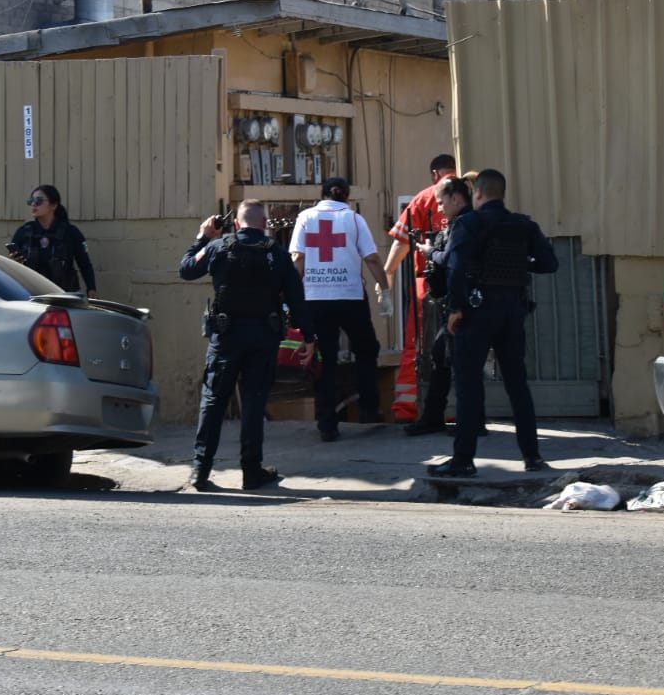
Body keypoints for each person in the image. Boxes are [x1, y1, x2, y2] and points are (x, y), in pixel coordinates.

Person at [179, 199, 314, 491]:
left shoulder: (218, 247)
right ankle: (251, 471)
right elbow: (297, 299)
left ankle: (200, 471)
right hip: (262, 338)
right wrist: (309, 336)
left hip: (226, 338)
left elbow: (187, 269)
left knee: (213, 401)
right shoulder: (276, 254)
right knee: (253, 404)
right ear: (265, 224)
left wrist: (203, 236)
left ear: (237, 223)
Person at [434, 168, 559, 477]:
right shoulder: (523, 225)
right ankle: (532, 456)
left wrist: (455, 308)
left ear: (477, 193)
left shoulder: (469, 223)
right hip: (512, 312)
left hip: (476, 312)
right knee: (518, 384)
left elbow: (456, 267)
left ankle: (463, 460)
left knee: (468, 384)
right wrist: (520, 262)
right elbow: (549, 263)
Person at [290, 176, 389, 441]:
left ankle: (326, 423)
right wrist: (385, 288)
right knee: (366, 349)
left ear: (322, 195)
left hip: (315, 298)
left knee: (325, 358)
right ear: (346, 196)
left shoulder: (305, 218)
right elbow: (372, 258)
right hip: (350, 296)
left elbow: (298, 259)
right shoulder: (354, 219)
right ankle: (369, 406)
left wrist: (291, 296)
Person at [383, 153, 458, 420]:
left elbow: (402, 241)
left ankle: (410, 406)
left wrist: (387, 275)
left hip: (426, 284)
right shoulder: (468, 192)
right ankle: (459, 406)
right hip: (464, 280)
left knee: (419, 344)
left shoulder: (425, 198)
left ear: (434, 174)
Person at [404, 175, 475, 436]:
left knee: (460, 363)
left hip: (464, 308)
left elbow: (453, 263)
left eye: (441, 202)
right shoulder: (463, 223)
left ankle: (469, 423)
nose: (440, 208)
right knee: (440, 356)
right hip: (463, 305)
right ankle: (436, 416)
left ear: (455, 198)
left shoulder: (464, 225)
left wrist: (429, 252)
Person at [8, 184, 97, 296]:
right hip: (32, 294)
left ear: (53, 205)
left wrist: (91, 288)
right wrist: (13, 261)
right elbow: (13, 268)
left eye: (39, 200)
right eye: (31, 200)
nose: (33, 204)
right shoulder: (24, 232)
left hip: (63, 294)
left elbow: (85, 264)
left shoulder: (70, 232)